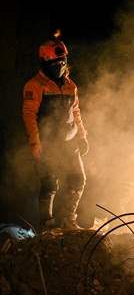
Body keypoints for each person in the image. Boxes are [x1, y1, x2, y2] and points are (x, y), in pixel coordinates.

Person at [22, 30, 89, 230]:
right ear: (44, 62)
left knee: (78, 179)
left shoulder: (70, 86)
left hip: (70, 142)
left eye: (62, 62)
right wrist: (35, 143)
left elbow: (76, 112)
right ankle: (47, 225)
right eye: (55, 63)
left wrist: (83, 136)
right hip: (47, 142)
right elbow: (29, 115)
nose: (60, 66)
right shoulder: (34, 86)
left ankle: (69, 219)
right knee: (50, 183)